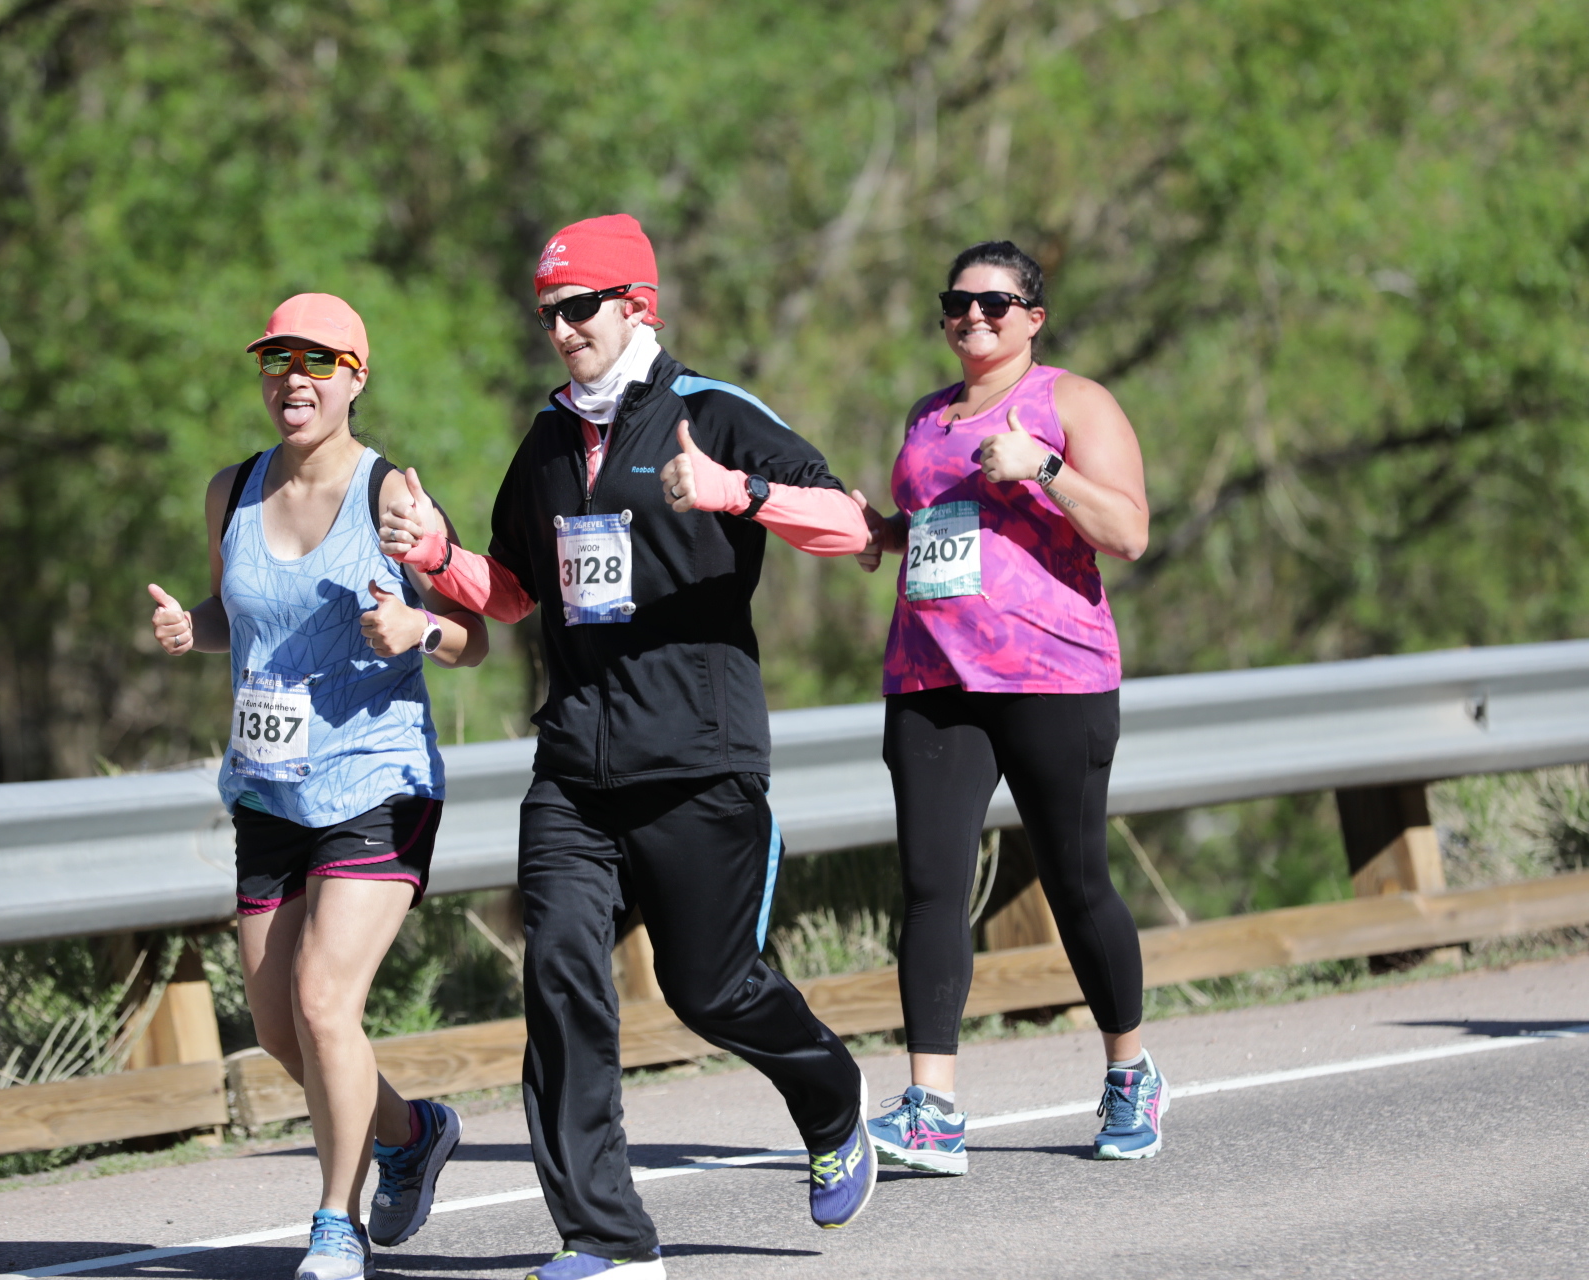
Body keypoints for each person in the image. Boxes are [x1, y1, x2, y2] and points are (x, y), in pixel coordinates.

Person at [378, 214, 879, 1280]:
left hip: (699, 758)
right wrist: (436, 553)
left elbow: (854, 526)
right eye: (547, 314)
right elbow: (514, 591)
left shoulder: (713, 412)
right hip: (575, 767)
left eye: (579, 308)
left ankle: (833, 1098)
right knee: (561, 978)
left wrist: (738, 492)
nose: (562, 330)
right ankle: (606, 1237)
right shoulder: (548, 443)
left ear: (636, 304)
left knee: (711, 987)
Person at [146, 292, 489, 1280]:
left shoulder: (393, 496)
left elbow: (473, 637)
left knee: (324, 1000)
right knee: (278, 1027)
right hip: (271, 788)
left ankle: (335, 1224)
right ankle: (412, 1132)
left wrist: (418, 628)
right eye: (277, 360)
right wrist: (196, 628)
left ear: (355, 376)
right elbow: (242, 609)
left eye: (318, 362)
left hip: (378, 779)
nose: (294, 379)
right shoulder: (232, 491)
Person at [850, 240, 1164, 1174]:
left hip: (1051, 675)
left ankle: (1130, 1070)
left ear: (1034, 317)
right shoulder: (927, 415)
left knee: (1075, 882)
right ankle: (932, 1109)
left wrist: (1044, 468)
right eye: (958, 302)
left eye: (995, 303)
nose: (973, 317)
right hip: (932, 675)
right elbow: (945, 525)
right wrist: (883, 533)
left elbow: (1130, 532)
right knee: (931, 886)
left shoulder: (1074, 402)